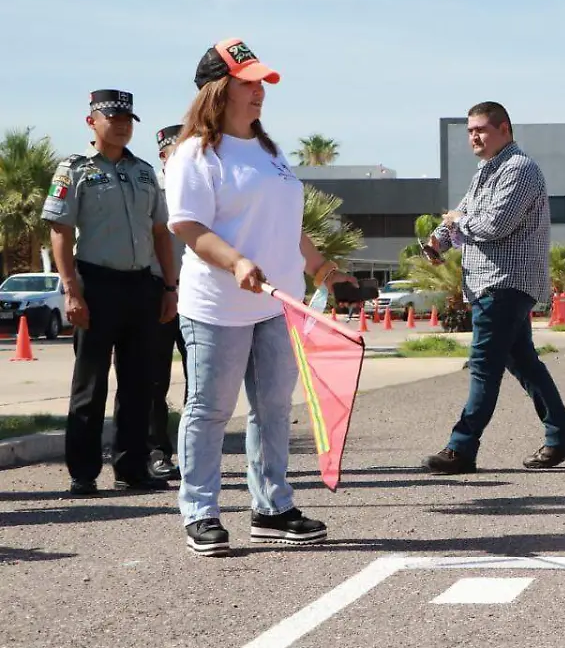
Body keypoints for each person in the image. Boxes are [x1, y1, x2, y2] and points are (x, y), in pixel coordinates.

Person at [165, 38, 357, 555]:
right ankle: (200, 511)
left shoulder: (270, 154)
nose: (259, 93)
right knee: (209, 409)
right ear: (218, 90)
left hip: (279, 303)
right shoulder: (195, 154)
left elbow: (289, 223)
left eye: (261, 84)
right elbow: (187, 225)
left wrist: (319, 267)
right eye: (249, 84)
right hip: (217, 306)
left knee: (272, 408)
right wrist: (235, 261)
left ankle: (272, 507)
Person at [422, 101, 565, 475]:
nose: (474, 137)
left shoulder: (520, 169)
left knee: (483, 366)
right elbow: (460, 218)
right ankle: (562, 436)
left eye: (481, 129)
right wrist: (438, 241)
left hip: (505, 282)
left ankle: (461, 448)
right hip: (487, 284)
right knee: (524, 362)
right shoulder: (485, 171)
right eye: (470, 131)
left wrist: (460, 221)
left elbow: (495, 224)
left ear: (505, 129)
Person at [42, 89, 177, 496]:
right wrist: (71, 291)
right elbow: (60, 231)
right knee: (90, 384)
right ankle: (83, 472)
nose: (121, 125)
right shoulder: (75, 169)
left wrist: (169, 287)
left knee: (140, 383)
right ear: (92, 122)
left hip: (142, 286)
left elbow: (160, 233)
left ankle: (131, 468)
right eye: (112, 118)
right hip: (95, 284)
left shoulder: (143, 171)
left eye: (127, 120)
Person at [148, 124, 188, 481]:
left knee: (203, 383)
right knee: (154, 381)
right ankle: (157, 451)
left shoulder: (206, 186)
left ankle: (191, 452)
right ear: (164, 155)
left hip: (201, 299)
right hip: (159, 297)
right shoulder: (151, 192)